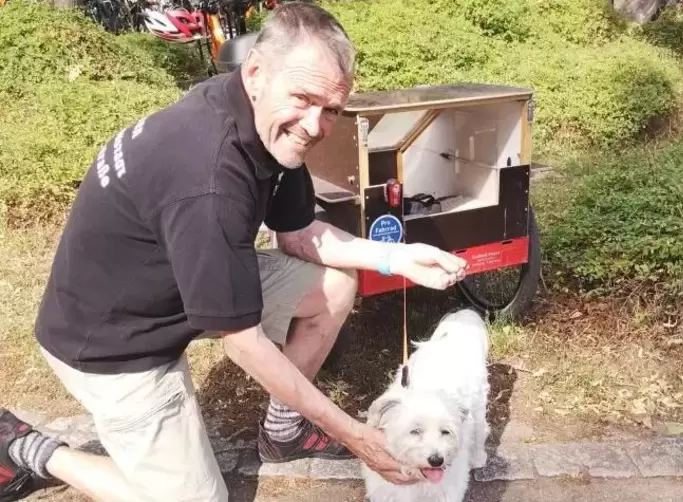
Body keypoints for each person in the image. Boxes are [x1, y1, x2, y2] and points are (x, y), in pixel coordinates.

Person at [0, 2, 468, 501]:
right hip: (113, 342)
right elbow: (242, 343)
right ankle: (27, 447)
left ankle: (284, 430)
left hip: (177, 283)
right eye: (304, 98)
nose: (314, 125)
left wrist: (396, 258)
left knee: (332, 282)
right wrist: (354, 436)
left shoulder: (263, 125)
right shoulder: (210, 180)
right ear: (256, 73)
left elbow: (297, 234)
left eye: (330, 108)